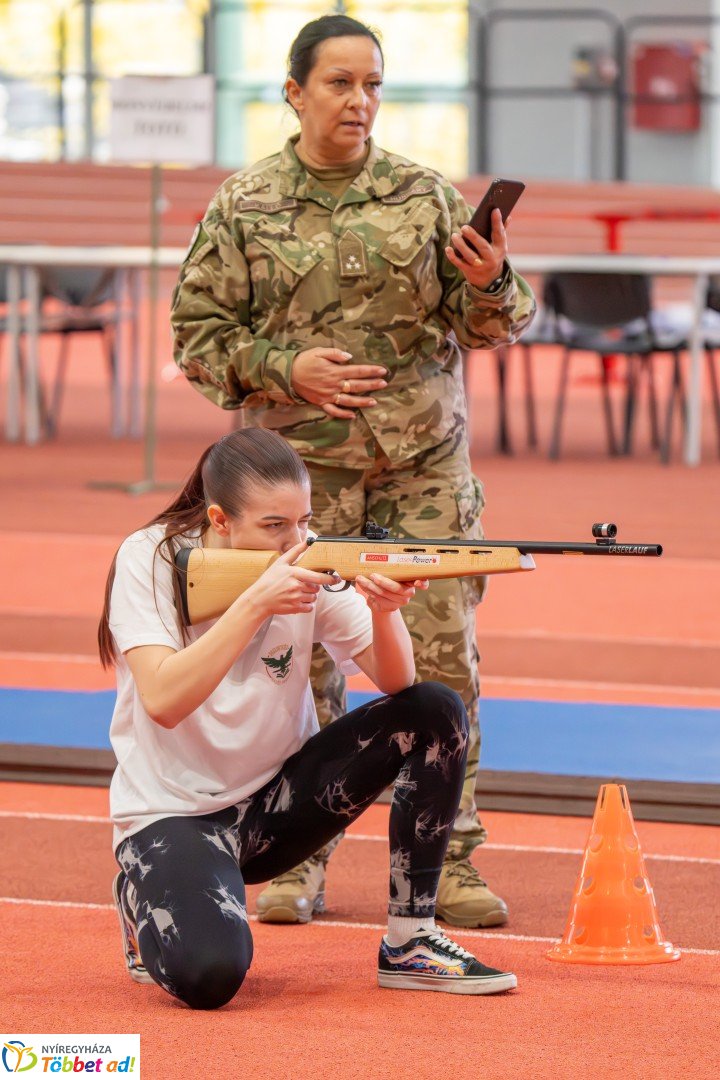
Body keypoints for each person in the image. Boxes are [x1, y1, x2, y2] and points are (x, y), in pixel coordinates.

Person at [171, 13, 536, 931]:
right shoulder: (245, 204)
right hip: (298, 484)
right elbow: (196, 341)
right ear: (295, 93)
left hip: (421, 470)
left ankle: (449, 861)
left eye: (372, 83)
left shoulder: (423, 195)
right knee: (303, 668)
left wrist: (493, 281)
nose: (360, 101)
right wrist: (281, 368)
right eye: (339, 83)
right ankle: (299, 861)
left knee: (442, 662)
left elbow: (497, 324)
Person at [99, 428, 517, 1008]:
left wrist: (384, 609)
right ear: (220, 521)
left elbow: (398, 686)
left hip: (279, 807)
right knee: (209, 977)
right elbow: (164, 701)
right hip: (174, 816)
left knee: (435, 709)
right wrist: (255, 603)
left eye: (303, 520)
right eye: (275, 526)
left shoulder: (309, 554)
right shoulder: (150, 557)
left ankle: (411, 941)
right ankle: (140, 890)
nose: (296, 540)